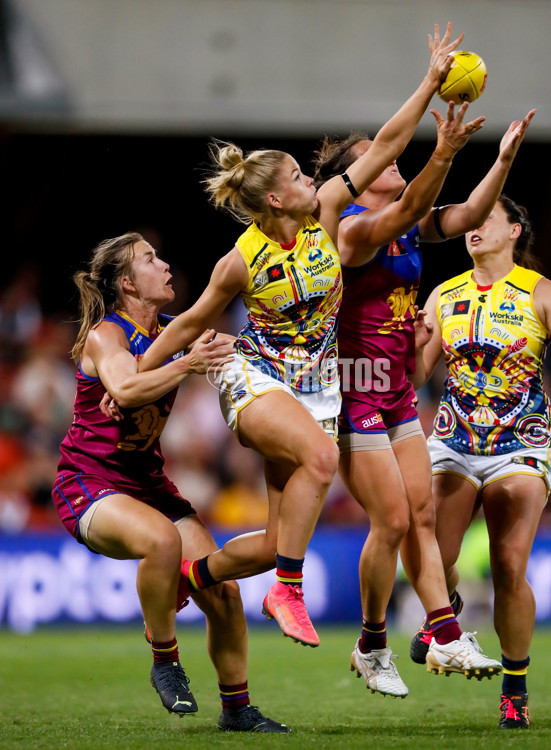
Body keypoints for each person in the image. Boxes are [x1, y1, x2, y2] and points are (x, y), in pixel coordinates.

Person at [135, 23, 465, 649]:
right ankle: (288, 588)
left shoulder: (325, 214)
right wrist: (132, 381)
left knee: (270, 540)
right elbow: (188, 323)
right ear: (275, 198)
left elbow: (389, 141)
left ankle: (190, 576)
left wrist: (429, 80)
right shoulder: (240, 259)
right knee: (319, 456)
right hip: (252, 376)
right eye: (296, 173)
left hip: (309, 388)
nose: (310, 177)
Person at [310, 99, 535, 696]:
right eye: (380, 162)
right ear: (359, 176)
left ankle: (443, 630)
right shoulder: (351, 230)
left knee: (422, 515)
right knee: (390, 520)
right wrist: (446, 150)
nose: (394, 166)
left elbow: (466, 214)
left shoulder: (406, 222)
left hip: (397, 393)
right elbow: (411, 205)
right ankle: (374, 642)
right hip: (354, 391)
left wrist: (504, 159)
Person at [51, 233, 290, 733]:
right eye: (149, 260)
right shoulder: (106, 335)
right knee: (160, 540)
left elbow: (162, 373)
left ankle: (238, 709)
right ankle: (164, 659)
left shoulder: (170, 332)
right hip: (88, 482)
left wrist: (225, 350)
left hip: (149, 482)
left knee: (222, 594)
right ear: (126, 283)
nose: (164, 266)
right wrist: (183, 364)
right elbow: (126, 386)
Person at [412, 195, 551, 728]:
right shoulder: (443, 296)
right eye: (466, 221)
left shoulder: (542, 292)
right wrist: (411, 347)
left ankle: (514, 688)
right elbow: (417, 377)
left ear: (515, 230)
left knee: (508, 566)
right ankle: (440, 611)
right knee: (428, 548)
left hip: (519, 443)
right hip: (453, 442)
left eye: (485, 218)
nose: (471, 227)